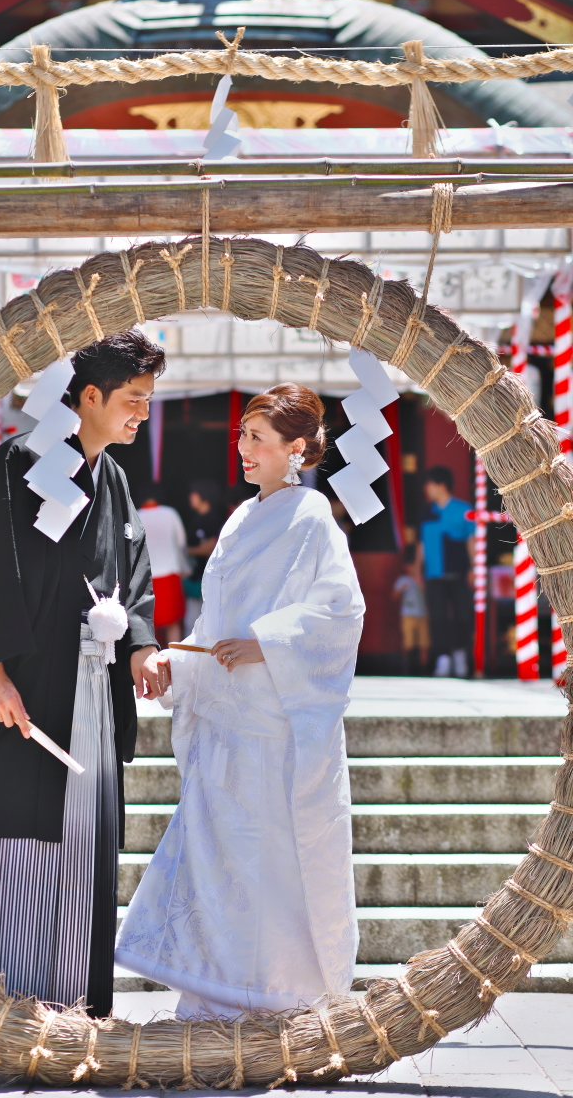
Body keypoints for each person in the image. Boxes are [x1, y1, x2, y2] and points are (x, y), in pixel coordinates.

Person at [0, 330, 169, 1018]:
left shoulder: (113, 478)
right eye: (132, 399)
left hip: (90, 688)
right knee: (16, 838)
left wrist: (142, 646)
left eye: (148, 401)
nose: (141, 413)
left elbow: (135, 575)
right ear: (88, 397)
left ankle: (72, 1004)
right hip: (24, 688)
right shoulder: (22, 463)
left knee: (82, 833)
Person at [116, 383, 364, 1018]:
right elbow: (215, 628)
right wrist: (179, 660)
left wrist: (266, 642)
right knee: (221, 859)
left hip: (276, 725)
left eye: (257, 438)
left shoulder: (312, 517)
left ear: (297, 449)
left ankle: (278, 996)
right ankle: (218, 992)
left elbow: (340, 610)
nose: (243, 449)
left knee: (271, 862)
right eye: (242, 436)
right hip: (228, 721)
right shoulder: (239, 518)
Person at [418, 464, 474, 678]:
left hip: (459, 573)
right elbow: (422, 544)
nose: (426, 489)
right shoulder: (426, 511)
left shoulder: (463, 510)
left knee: (463, 616)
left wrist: (474, 568)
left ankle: (460, 655)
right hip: (433, 575)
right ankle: (442, 658)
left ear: (441, 486)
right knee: (437, 617)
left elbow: (472, 541)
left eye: (429, 484)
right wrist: (417, 569)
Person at [137, 482, 189, 648]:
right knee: (172, 622)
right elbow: (182, 542)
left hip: (145, 578)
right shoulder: (170, 513)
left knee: (148, 625)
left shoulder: (135, 516)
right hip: (170, 574)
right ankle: (176, 660)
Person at [183, 479, 225, 631]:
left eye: (194, 494)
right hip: (195, 579)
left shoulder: (215, 518)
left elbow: (211, 547)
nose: (190, 497)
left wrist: (187, 551)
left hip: (212, 578)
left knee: (210, 623)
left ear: (202, 495)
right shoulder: (195, 519)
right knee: (192, 623)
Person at [392, 544, 429, 674]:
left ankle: (424, 667)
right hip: (407, 614)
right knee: (408, 641)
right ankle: (406, 665)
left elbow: (430, 595)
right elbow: (394, 595)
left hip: (422, 614)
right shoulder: (403, 580)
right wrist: (402, 589)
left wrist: (422, 585)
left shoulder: (423, 579)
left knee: (424, 642)